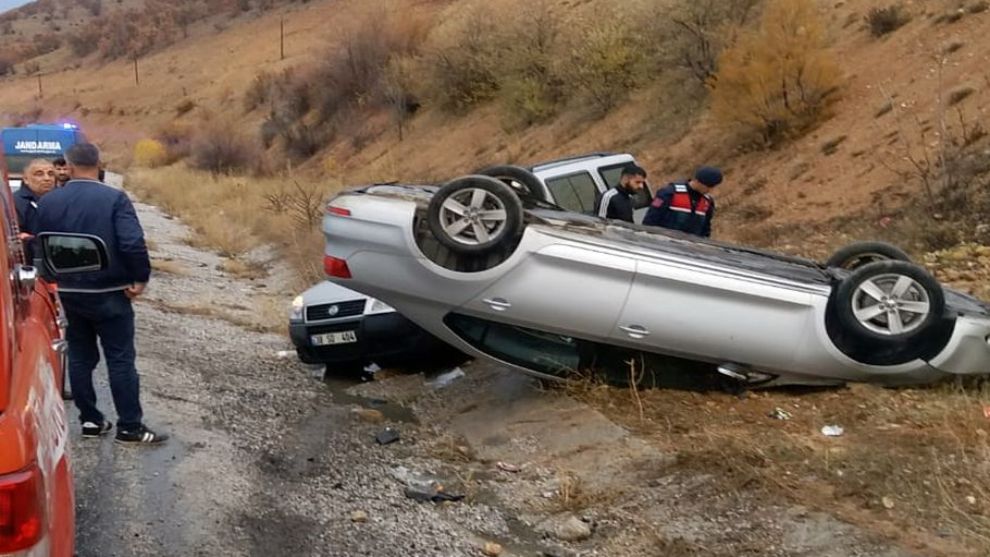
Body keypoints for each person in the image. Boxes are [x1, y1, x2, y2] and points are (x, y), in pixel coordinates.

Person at [35, 143, 168, 445]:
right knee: (120, 359)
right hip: (109, 290)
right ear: (98, 162)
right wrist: (140, 277)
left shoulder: (49, 201)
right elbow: (132, 243)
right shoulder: (114, 199)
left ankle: (91, 421)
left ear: (67, 166)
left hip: (69, 291)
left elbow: (41, 245)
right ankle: (130, 427)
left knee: (81, 357)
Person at [642, 166, 723, 237]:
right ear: (697, 181)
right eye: (708, 186)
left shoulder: (707, 202)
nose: (710, 190)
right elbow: (650, 220)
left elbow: (705, 230)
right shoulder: (669, 193)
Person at [13, 158, 56, 262]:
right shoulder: (15, 203)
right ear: (26, 179)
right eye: (39, 174)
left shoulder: (62, 200)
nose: (47, 178)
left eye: (51, 174)